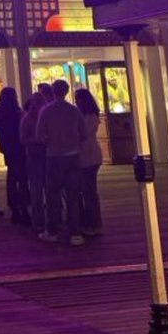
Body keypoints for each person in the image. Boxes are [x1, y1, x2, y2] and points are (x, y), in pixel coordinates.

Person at [36, 79, 86, 245]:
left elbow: (39, 136)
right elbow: (84, 134)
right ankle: (75, 232)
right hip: (73, 155)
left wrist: (50, 140)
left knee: (53, 196)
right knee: (73, 195)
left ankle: (53, 230)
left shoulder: (46, 110)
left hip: (54, 156)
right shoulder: (74, 110)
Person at [0, 86, 29, 225]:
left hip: (7, 146)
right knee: (22, 177)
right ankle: (23, 207)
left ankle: (14, 207)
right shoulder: (16, 110)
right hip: (18, 145)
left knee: (12, 176)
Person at [75, 87, 104, 235]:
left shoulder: (91, 116)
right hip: (86, 156)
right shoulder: (85, 115)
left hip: (90, 156)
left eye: (78, 99)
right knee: (86, 190)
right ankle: (89, 221)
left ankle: (94, 222)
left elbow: (85, 134)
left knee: (89, 190)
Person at [20, 92, 47, 232]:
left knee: (46, 189)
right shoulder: (28, 119)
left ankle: (46, 218)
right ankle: (38, 219)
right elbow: (23, 139)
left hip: (45, 156)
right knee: (36, 189)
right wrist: (38, 140)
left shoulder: (43, 117)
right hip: (35, 156)